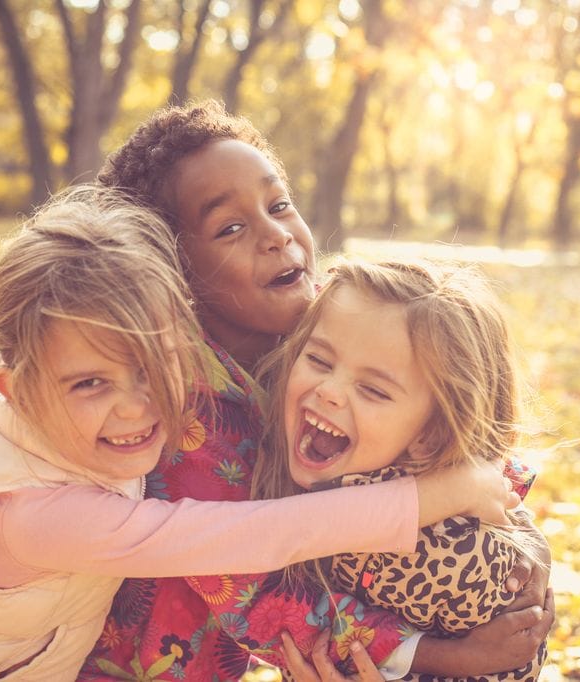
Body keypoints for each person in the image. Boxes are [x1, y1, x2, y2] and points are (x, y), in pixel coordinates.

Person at [0, 188, 516, 682]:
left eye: (156, 369)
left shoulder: (46, 366)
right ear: (22, 387)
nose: (141, 410)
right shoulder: (35, 515)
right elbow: (257, 539)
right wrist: (442, 498)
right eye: (93, 385)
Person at [86, 101, 553, 680]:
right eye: (230, 227)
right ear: (171, 265)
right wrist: (446, 658)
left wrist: (523, 551)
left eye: (279, 205)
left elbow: (457, 433)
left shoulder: (318, 340)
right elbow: (252, 589)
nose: (277, 235)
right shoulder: (182, 408)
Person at [252, 258, 550, 682]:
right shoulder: (292, 464)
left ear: (430, 434)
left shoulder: (458, 560)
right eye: (318, 359)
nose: (329, 391)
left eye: (373, 389)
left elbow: (508, 663)